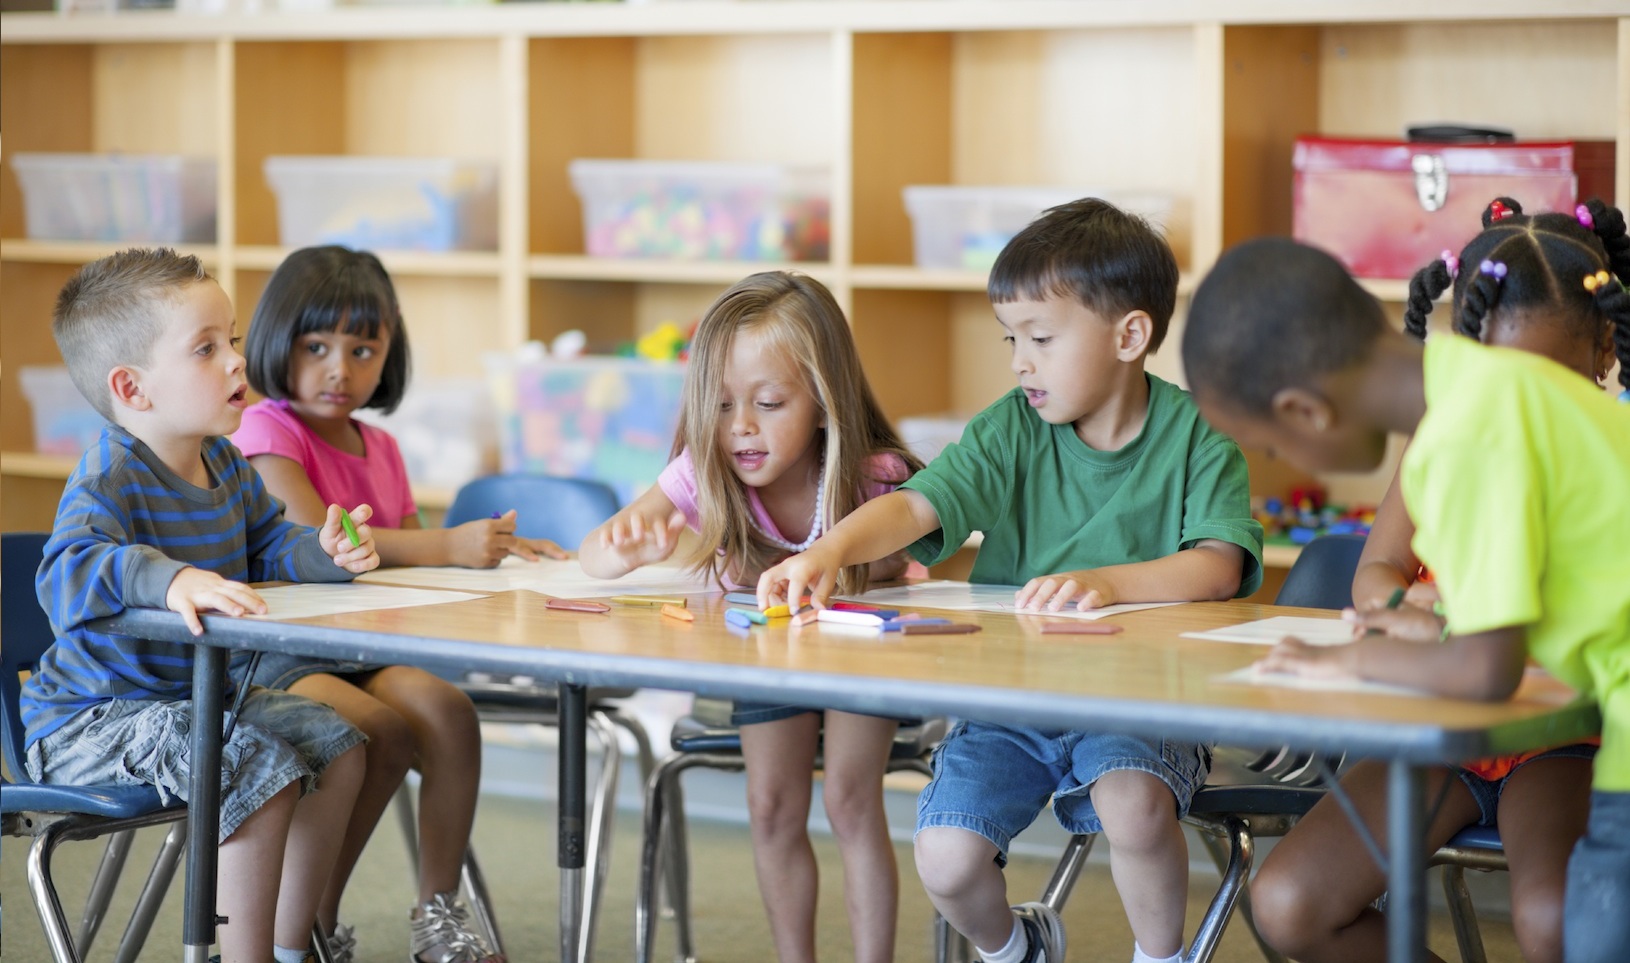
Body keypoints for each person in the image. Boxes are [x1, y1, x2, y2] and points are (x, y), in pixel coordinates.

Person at [758, 199, 1265, 963]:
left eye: (1041, 338)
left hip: (1138, 698)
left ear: (1130, 335)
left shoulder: (1200, 436)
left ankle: (1161, 956)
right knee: (947, 857)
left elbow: (1220, 565)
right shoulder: (1012, 427)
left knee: (1131, 805)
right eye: (1011, 339)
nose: (1019, 360)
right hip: (1013, 701)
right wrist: (828, 552)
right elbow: (918, 503)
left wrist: (1105, 581)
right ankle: (1017, 948)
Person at [1180, 234, 1630, 963]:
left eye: (1266, 444)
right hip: (1573, 705)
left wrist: (1346, 664)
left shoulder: (1468, 435)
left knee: (1580, 931)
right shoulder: (1472, 391)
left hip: (1605, 733)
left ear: (1304, 411)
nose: (1278, 461)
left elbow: (1488, 672)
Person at [19, 248, 376, 963]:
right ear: (134, 387)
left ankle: (289, 947)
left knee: (340, 746)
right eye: (207, 348)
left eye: (233, 339)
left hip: (193, 701)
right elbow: (67, 569)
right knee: (252, 765)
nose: (238, 363)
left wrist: (323, 554)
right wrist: (170, 577)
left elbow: (272, 540)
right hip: (89, 722)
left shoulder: (226, 465)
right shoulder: (110, 474)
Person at [579, 271, 924, 963]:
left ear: (826, 403)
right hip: (769, 656)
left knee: (854, 803)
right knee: (770, 807)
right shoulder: (703, 472)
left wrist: (878, 562)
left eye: (768, 402)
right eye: (723, 403)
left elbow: (916, 561)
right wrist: (624, 550)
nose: (740, 427)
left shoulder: (873, 478)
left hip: (859, 647)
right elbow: (596, 553)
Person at [232, 246, 541, 963]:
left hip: (363, 647)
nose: (340, 367)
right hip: (279, 654)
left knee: (448, 711)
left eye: (362, 347)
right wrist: (449, 545)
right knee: (373, 731)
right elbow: (325, 541)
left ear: (389, 350)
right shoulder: (268, 428)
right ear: (278, 339)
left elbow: (401, 569)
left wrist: (486, 554)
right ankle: (312, 924)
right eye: (316, 345)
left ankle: (438, 914)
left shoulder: (382, 445)